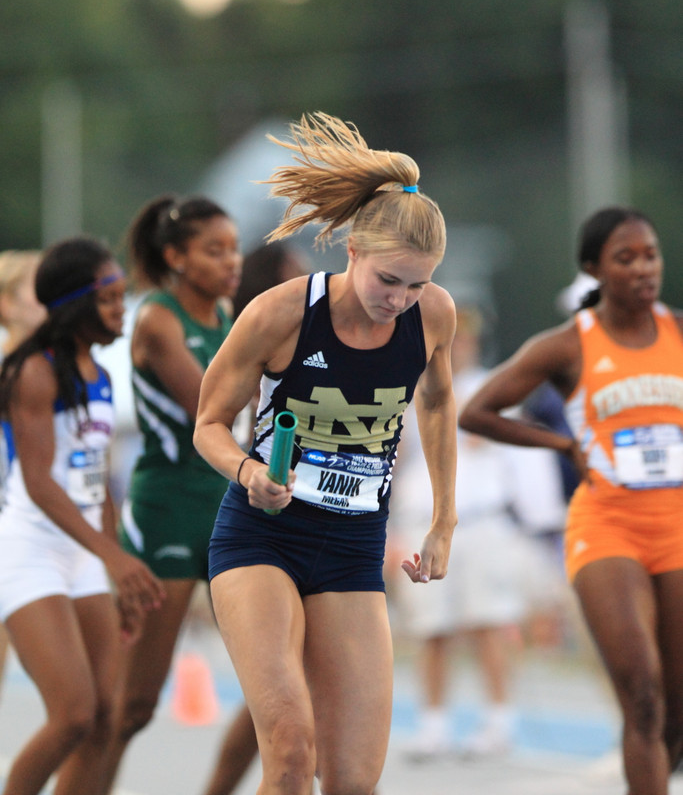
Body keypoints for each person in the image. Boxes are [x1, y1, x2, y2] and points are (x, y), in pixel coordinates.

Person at [194, 112, 458, 795]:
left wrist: (441, 521)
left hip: (351, 548)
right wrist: (249, 471)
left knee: (351, 781)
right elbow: (209, 424)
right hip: (262, 538)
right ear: (349, 252)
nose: (398, 301)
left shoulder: (433, 317)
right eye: (387, 281)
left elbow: (434, 402)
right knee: (288, 749)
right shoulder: (281, 313)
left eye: (416, 285)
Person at [459, 206, 683, 795]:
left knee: (674, 713)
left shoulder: (679, 332)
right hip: (606, 527)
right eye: (625, 258)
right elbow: (476, 411)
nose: (643, 269)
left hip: (676, 528)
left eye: (650, 255)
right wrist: (564, 444)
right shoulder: (567, 345)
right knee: (642, 695)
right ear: (594, 270)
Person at [102, 195, 256, 795]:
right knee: (134, 705)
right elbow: (215, 405)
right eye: (214, 250)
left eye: (234, 247)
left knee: (278, 687)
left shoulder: (226, 312)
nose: (231, 261)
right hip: (165, 512)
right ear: (175, 256)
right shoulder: (157, 319)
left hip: (226, 509)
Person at [0, 237, 165, 795]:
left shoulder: (100, 374)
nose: (123, 309)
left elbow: (99, 483)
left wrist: (120, 564)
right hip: (30, 549)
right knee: (72, 713)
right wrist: (112, 557)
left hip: (86, 553)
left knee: (103, 720)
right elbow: (40, 483)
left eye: (124, 296)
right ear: (75, 304)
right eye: (111, 298)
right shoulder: (32, 372)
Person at [390, 307, 530, 760]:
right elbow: (398, 460)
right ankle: (434, 724)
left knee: (488, 623)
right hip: (419, 518)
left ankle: (499, 720)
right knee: (431, 628)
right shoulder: (406, 392)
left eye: (462, 341)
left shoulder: (492, 390)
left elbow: (516, 460)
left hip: (480, 518)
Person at [0, 250, 47, 696]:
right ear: (7, 304)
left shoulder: (55, 366)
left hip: (42, 527)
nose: (49, 300)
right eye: (38, 289)